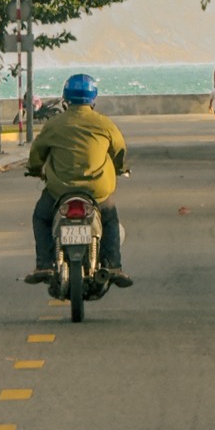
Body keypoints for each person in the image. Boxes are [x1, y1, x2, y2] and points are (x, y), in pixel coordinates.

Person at [24, 73, 133, 286]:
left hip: (59, 191)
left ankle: (45, 264)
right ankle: (112, 265)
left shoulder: (54, 124)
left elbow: (37, 151)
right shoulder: (104, 124)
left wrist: (35, 169)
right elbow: (119, 150)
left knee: (41, 217)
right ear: (93, 99)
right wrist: (120, 168)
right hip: (97, 192)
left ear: (66, 97)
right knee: (109, 218)